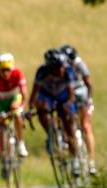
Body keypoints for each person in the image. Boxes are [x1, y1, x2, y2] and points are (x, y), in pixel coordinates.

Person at [28, 49, 79, 174]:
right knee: (41, 107)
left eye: (61, 66)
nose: (60, 69)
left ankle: (75, 160)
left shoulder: (68, 71)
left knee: (69, 126)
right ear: (50, 67)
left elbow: (71, 94)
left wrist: (68, 104)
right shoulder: (42, 72)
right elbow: (34, 93)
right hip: (48, 95)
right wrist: (30, 108)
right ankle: (51, 134)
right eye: (57, 67)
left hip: (63, 96)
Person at [0, 53, 29, 161]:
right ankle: (3, 151)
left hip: (14, 98)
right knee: (0, 123)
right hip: (1, 101)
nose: (5, 73)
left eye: (7, 70)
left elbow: (24, 95)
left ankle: (21, 144)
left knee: (17, 114)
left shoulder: (17, 73)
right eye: (2, 70)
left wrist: (21, 108)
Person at [60, 44, 97, 175]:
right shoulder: (61, 66)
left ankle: (91, 162)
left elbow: (88, 83)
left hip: (81, 96)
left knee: (86, 126)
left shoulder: (79, 63)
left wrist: (89, 100)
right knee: (68, 128)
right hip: (68, 97)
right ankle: (74, 159)